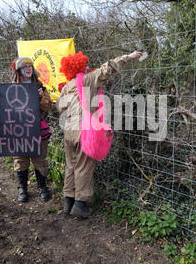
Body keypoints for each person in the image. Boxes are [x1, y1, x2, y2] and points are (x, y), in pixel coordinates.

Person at [57, 50, 143, 219]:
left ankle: (68, 201)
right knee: (83, 166)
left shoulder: (67, 87)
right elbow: (107, 68)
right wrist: (128, 56)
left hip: (69, 130)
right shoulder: (88, 80)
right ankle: (80, 205)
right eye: (86, 65)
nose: (89, 67)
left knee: (71, 165)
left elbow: (59, 107)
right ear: (81, 67)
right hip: (83, 129)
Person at [0, 57, 53, 203]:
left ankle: (43, 188)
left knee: (39, 159)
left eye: (30, 66)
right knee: (20, 160)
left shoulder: (40, 87)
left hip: (36, 128)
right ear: (18, 70)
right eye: (25, 67)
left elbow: (48, 106)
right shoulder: (10, 88)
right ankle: (23, 189)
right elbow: (4, 108)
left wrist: (42, 98)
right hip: (17, 130)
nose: (28, 69)